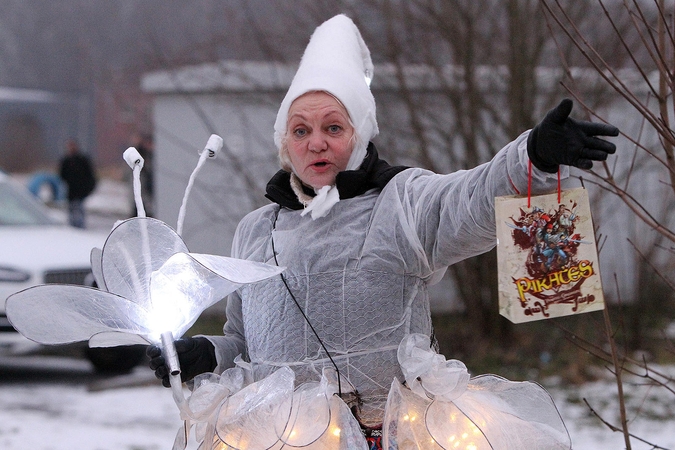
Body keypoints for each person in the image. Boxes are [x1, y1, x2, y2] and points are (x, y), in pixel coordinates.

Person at [148, 14, 618, 449]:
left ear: (360, 134)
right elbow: (247, 343)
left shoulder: (401, 202)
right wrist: (205, 354)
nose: (316, 142)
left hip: (393, 436)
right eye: (300, 130)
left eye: (333, 127)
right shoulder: (255, 230)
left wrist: (531, 155)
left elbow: (469, 200)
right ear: (284, 144)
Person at [58, 138, 97, 228]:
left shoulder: (82, 160)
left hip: (80, 191)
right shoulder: (66, 160)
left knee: (79, 211)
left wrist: (88, 188)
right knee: (72, 211)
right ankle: (73, 228)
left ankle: (79, 228)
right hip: (71, 192)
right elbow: (61, 176)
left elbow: (90, 175)